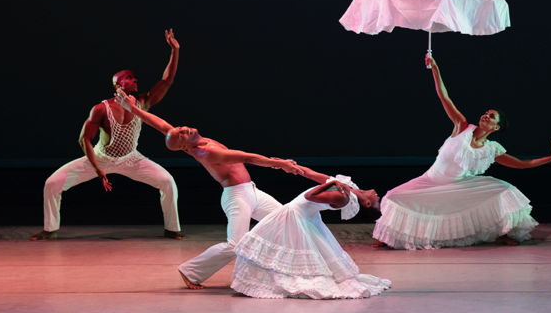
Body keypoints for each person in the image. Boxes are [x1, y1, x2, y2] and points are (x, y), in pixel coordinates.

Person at [114, 89, 303, 289]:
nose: (184, 129)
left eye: (181, 128)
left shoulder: (192, 142)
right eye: (181, 134)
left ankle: (288, 268)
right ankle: (191, 271)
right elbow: (247, 157)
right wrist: (280, 164)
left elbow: (160, 125)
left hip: (251, 191)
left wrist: (133, 108)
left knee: (287, 219)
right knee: (235, 244)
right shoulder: (207, 152)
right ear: (183, 147)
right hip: (237, 196)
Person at [372, 56, 551, 250]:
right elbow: (445, 97)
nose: (486, 115)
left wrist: (550, 158)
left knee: (503, 189)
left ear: (496, 127)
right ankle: (389, 237)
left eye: (492, 116)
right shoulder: (462, 127)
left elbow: (521, 164)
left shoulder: (492, 149)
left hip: (459, 186)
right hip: (431, 180)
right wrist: (435, 69)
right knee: (394, 196)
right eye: (486, 113)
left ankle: (504, 233)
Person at [30, 29, 185, 241]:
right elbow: (83, 139)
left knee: (168, 181)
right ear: (118, 84)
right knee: (52, 183)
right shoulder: (101, 109)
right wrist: (98, 169)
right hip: (101, 158)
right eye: (129, 78)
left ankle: (172, 229)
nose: (135, 80)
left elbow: (166, 81)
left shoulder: (142, 103)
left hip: (132, 159)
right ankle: (50, 230)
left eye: (135, 78)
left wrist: (175, 50)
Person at [231, 166, 390, 299]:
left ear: (367, 204)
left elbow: (309, 195)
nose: (379, 197)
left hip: (296, 215)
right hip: (302, 214)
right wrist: (294, 168)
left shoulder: (343, 197)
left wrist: (334, 182)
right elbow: (312, 175)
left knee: (289, 249)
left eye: (377, 203)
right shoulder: (349, 188)